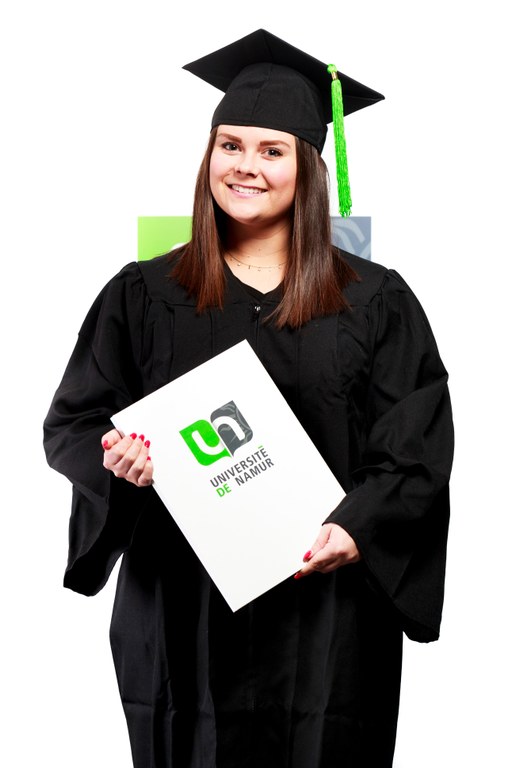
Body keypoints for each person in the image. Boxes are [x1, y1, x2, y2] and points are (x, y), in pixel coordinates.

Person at [43, 29, 454, 768]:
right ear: (208, 156)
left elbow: (415, 447)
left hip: (327, 613)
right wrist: (116, 457)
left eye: (272, 151)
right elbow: (74, 422)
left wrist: (358, 529)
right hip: (181, 609)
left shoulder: (375, 300)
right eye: (229, 145)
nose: (245, 166)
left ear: (309, 168)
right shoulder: (144, 294)